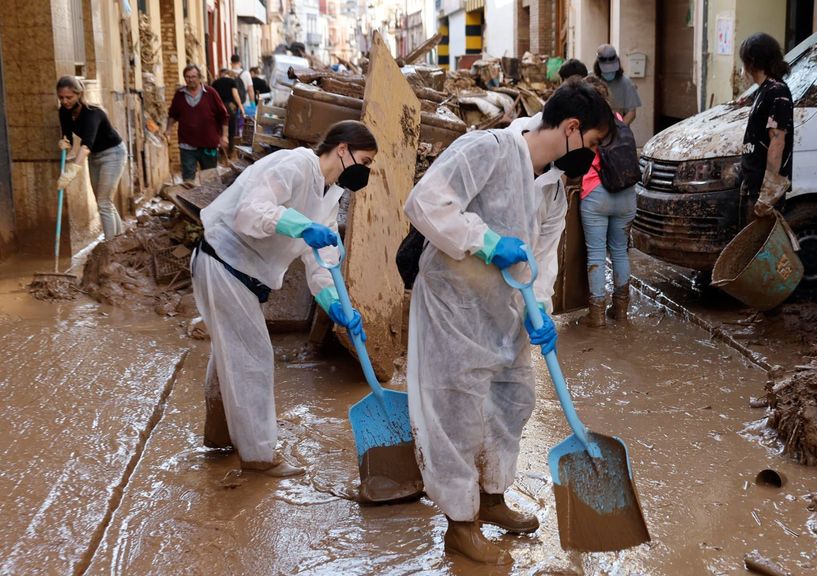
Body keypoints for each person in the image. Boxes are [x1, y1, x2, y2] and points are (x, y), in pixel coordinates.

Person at [405, 78, 614, 565]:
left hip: (508, 312)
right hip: (454, 307)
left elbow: (542, 259)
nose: (594, 154)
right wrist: (486, 241)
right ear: (570, 127)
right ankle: (460, 523)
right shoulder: (490, 149)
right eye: (594, 143)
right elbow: (425, 202)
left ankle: (493, 497)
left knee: (513, 401)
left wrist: (538, 310)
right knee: (458, 411)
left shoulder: (556, 191)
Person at [192, 120, 377, 477]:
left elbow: (319, 261)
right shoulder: (294, 165)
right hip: (224, 260)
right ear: (343, 150)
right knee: (252, 357)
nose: (365, 170)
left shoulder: (330, 192)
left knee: (231, 354)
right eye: (365, 161)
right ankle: (259, 456)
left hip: (242, 273)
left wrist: (335, 304)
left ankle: (219, 437)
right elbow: (250, 212)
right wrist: (299, 225)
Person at [578, 75, 637, 326]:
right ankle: (621, 310)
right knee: (620, 252)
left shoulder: (585, 126)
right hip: (626, 196)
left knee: (596, 255)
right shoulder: (619, 120)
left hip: (595, 196)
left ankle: (597, 315)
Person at [55, 76, 128, 240]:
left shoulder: (92, 114)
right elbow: (68, 136)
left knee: (103, 202)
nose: (65, 101)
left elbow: (86, 144)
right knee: (104, 201)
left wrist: (72, 170)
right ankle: (120, 240)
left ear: (79, 94)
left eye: (69, 97)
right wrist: (65, 142)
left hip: (113, 154)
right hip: (95, 156)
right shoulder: (64, 112)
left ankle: (110, 246)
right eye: (61, 97)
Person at [738, 33, 793, 219]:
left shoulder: (777, 92)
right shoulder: (764, 90)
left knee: (763, 247)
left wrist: (768, 194)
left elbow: (777, 142)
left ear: (751, 61)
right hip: (753, 184)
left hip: (763, 190)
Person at [165, 65, 229, 181]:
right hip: (187, 144)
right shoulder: (179, 95)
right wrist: (168, 129)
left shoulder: (210, 93)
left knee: (209, 178)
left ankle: (209, 199)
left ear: (199, 77)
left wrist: (224, 136)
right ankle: (189, 198)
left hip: (208, 145)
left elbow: (223, 115)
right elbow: (173, 115)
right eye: (187, 77)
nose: (190, 80)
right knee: (188, 177)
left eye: (193, 77)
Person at [593, 44, 642, 125]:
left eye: (611, 69)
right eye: (606, 69)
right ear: (598, 66)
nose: (609, 72)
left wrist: (620, 129)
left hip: (618, 128)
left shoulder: (626, 83)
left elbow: (631, 113)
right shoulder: (591, 81)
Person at [211, 68, 244, 154]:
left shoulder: (215, 83)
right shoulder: (231, 82)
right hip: (229, 107)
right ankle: (230, 152)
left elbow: (212, 97)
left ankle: (221, 152)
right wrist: (241, 107)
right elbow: (235, 95)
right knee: (231, 130)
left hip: (218, 108)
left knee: (220, 130)